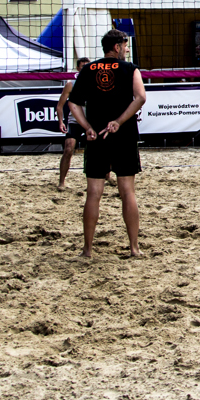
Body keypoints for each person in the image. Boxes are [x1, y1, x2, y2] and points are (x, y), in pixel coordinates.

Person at [68, 30, 148, 259]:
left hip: (97, 136)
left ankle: (87, 250)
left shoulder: (87, 69)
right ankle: (134, 248)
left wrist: (87, 127)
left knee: (93, 193)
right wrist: (119, 121)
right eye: (125, 45)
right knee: (127, 191)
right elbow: (141, 97)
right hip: (123, 134)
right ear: (116, 47)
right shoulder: (130, 69)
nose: (127, 49)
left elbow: (73, 104)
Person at [56, 57, 91, 191]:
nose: (85, 69)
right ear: (78, 69)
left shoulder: (96, 82)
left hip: (91, 121)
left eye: (87, 66)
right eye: (82, 66)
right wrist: (60, 122)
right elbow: (60, 106)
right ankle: (62, 181)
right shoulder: (71, 84)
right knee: (69, 148)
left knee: (96, 151)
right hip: (75, 121)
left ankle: (105, 176)